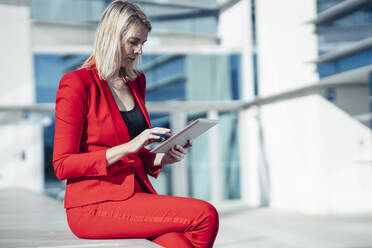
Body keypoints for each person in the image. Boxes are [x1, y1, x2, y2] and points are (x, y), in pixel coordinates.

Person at [52, 1, 219, 247]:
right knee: (204, 215)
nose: (140, 50)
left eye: (143, 43)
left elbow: (131, 153)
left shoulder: (135, 81)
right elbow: (62, 165)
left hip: (134, 195)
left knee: (183, 243)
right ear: (111, 37)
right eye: (133, 42)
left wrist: (158, 158)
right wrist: (129, 147)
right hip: (93, 205)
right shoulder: (77, 83)